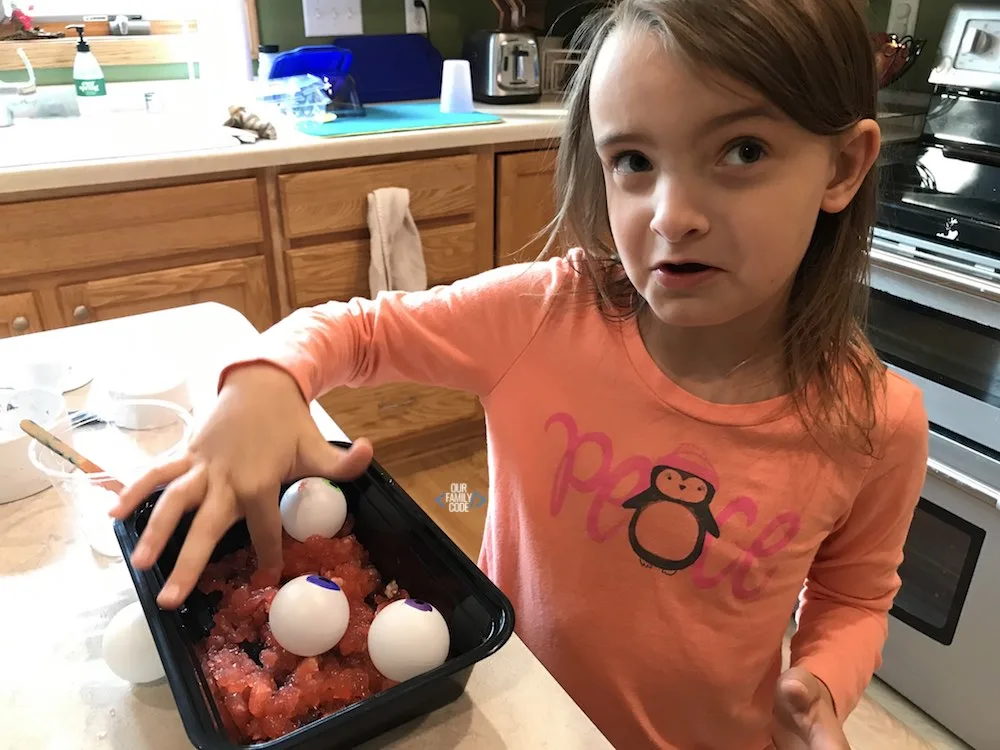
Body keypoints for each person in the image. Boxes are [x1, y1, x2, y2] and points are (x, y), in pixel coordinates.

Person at [111, 0, 929, 747]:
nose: (672, 213)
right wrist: (265, 381)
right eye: (634, 161)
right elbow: (354, 330)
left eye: (742, 151)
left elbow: (855, 600)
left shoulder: (875, 424)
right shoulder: (548, 315)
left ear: (841, 167)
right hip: (516, 717)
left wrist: (821, 681)